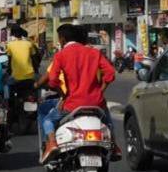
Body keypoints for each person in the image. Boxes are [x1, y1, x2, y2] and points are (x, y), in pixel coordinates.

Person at [40, 24, 120, 163]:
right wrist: (100, 91)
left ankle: (52, 143)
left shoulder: (61, 55)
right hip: (97, 103)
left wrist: (63, 94)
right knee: (107, 122)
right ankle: (114, 145)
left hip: (72, 104)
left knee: (48, 120)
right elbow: (110, 73)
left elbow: (52, 81)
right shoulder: (94, 52)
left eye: (59, 39)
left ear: (63, 39)